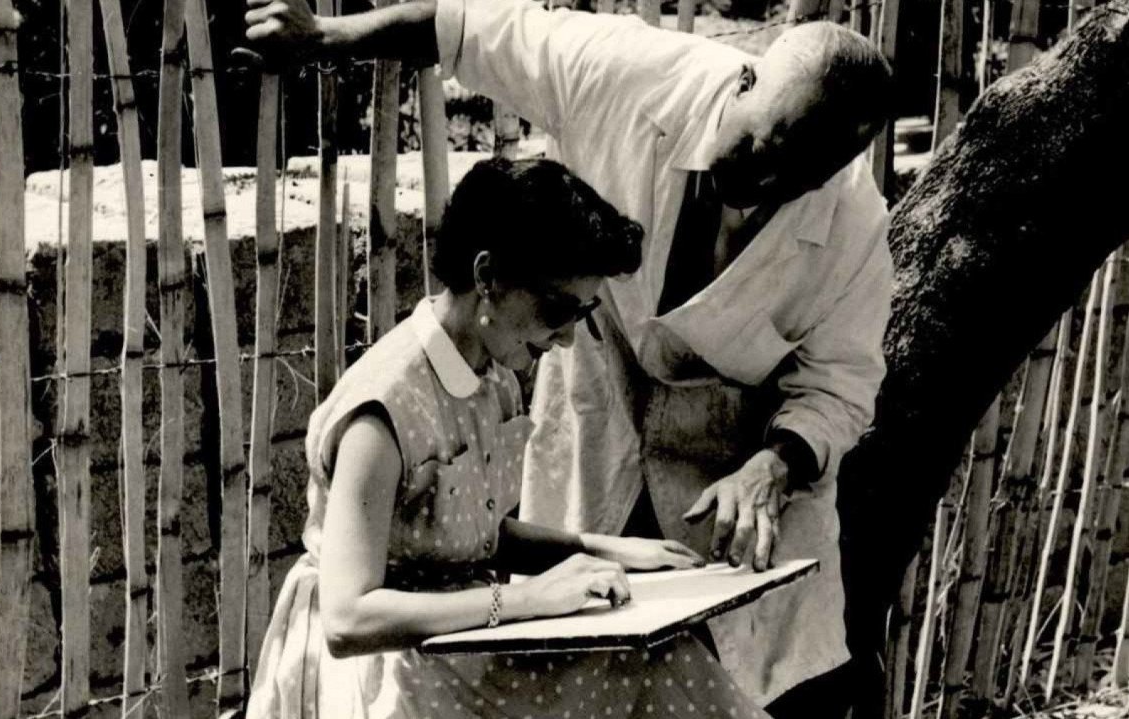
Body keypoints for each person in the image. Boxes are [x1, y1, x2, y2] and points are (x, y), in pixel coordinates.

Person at [245, 2, 893, 715]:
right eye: (758, 152)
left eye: (794, 181)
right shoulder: (630, 75)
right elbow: (471, 27)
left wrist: (768, 468)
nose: (761, 187)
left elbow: (842, 382)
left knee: (717, 678)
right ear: (742, 85)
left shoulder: (853, 228)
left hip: (723, 472)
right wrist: (327, 38)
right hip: (415, 650)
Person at [246, 157, 770, 718]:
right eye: (556, 311)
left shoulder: (493, 377)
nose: (567, 340)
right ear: (487, 276)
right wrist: (526, 599)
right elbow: (348, 618)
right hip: (381, 672)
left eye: (582, 315)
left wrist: (604, 548)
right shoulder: (382, 410)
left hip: (461, 645)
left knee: (664, 661)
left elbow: (464, 530)